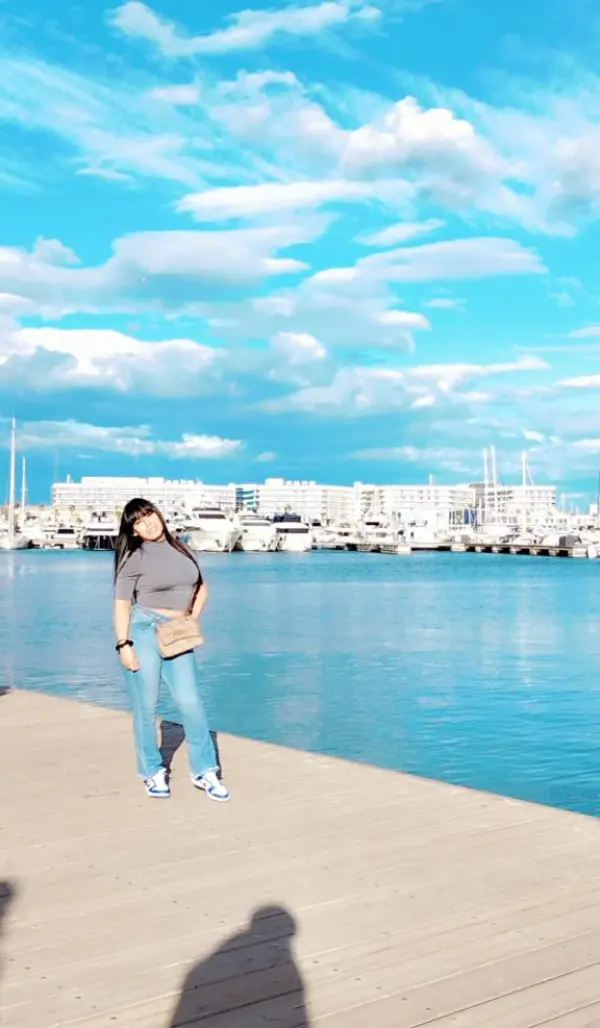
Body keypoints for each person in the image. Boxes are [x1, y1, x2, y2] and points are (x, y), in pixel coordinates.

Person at [113, 497, 229, 802]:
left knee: (191, 702)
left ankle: (204, 771)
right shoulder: (134, 558)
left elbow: (201, 586)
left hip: (177, 632)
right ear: (134, 531)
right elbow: (122, 604)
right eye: (139, 522)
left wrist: (191, 619)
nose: (147, 523)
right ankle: (152, 770)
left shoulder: (183, 548)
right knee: (146, 706)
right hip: (143, 630)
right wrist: (124, 644)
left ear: (158, 514)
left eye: (149, 515)